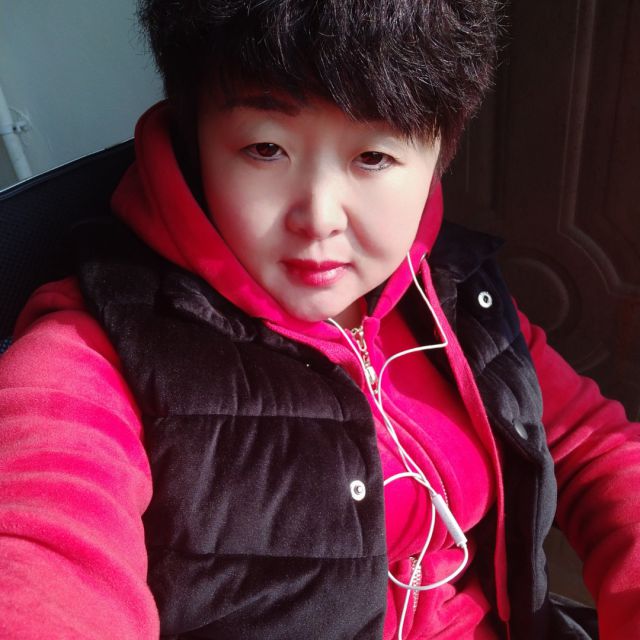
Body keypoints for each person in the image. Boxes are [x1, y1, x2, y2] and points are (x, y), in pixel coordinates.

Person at [0, 1, 638, 638]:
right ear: (197, 141)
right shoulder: (98, 350)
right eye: (266, 148)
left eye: (374, 157)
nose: (319, 218)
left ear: (440, 150)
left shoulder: (456, 289)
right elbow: (43, 548)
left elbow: (591, 442)